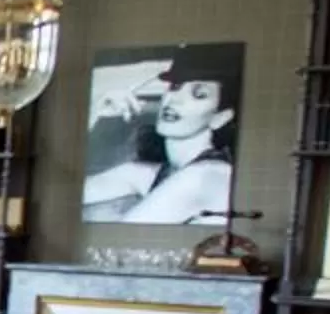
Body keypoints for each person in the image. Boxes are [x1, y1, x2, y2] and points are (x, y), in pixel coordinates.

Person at [83, 68, 236, 225]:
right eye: (175, 87)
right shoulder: (153, 173)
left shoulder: (207, 176)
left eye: (198, 95)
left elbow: (120, 238)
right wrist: (93, 113)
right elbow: (61, 194)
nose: (175, 100)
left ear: (220, 117)